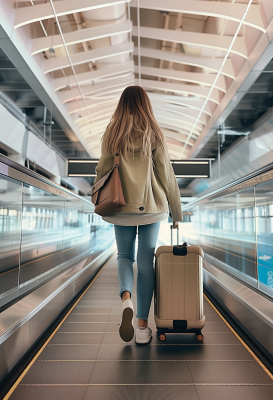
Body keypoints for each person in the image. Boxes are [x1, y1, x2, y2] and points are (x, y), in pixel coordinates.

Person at [93, 86, 183, 344]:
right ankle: (142, 327)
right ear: (145, 104)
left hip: (119, 207)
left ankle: (126, 301)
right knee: (145, 262)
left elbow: (102, 168)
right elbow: (167, 174)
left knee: (123, 256)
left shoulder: (112, 132)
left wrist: (98, 191)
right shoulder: (152, 133)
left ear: (122, 104)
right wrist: (177, 211)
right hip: (151, 209)